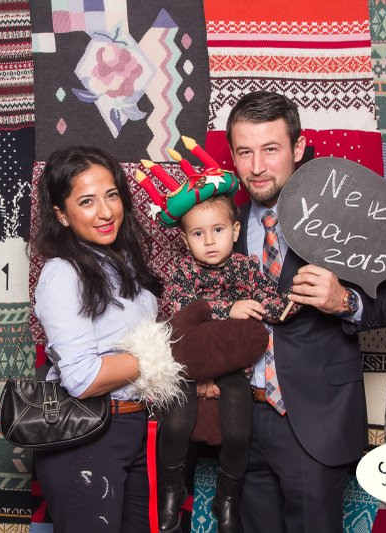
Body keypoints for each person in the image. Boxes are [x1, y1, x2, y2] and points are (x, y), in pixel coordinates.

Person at [223, 91, 386, 533]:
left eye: (270, 149)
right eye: (245, 152)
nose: (257, 166)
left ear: (299, 148)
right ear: (232, 155)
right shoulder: (220, 225)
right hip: (239, 421)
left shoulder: (340, 218)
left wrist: (344, 301)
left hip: (314, 419)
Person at [32, 145, 184, 532]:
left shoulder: (125, 265)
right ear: (61, 214)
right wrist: (167, 355)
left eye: (111, 195)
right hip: (88, 435)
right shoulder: (63, 273)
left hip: (136, 429)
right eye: (86, 201)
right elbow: (82, 378)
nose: (105, 212)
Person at [156, 193, 301, 533]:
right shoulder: (181, 271)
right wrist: (228, 309)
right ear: (184, 239)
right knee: (175, 426)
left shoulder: (246, 268)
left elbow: (272, 305)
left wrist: (296, 299)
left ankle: (226, 496)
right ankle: (172, 489)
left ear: (235, 231)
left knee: (238, 433)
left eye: (218, 230)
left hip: (232, 369)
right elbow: (178, 309)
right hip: (187, 369)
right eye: (198, 233)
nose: (209, 241)